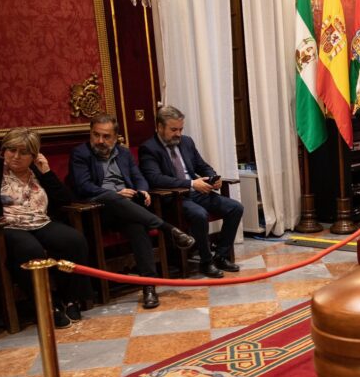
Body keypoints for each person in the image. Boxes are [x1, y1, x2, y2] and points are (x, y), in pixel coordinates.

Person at [0, 128, 92, 328]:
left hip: (40, 222)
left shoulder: (38, 172)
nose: (15, 156)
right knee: (30, 249)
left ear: (34, 155)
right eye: (11, 150)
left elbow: (66, 200)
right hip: (5, 227)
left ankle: (70, 300)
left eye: (23, 152)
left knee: (73, 240)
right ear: (3, 150)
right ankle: (44, 306)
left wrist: (47, 173)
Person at [69, 114, 195, 310]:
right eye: (96, 135)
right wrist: (115, 193)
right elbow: (83, 186)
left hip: (127, 211)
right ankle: (168, 228)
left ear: (116, 136)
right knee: (113, 198)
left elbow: (139, 177)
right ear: (90, 134)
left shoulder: (123, 153)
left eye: (106, 136)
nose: (100, 141)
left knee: (137, 226)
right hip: (98, 210)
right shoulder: (81, 154)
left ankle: (149, 287)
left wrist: (143, 190)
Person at [138, 105, 243, 278]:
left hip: (198, 192)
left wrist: (213, 178)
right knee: (199, 214)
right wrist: (191, 184)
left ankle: (221, 256)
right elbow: (155, 179)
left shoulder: (187, 142)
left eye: (180, 129)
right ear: (159, 127)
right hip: (174, 199)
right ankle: (206, 262)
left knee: (235, 208)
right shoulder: (149, 148)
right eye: (173, 129)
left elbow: (202, 165)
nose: (178, 134)